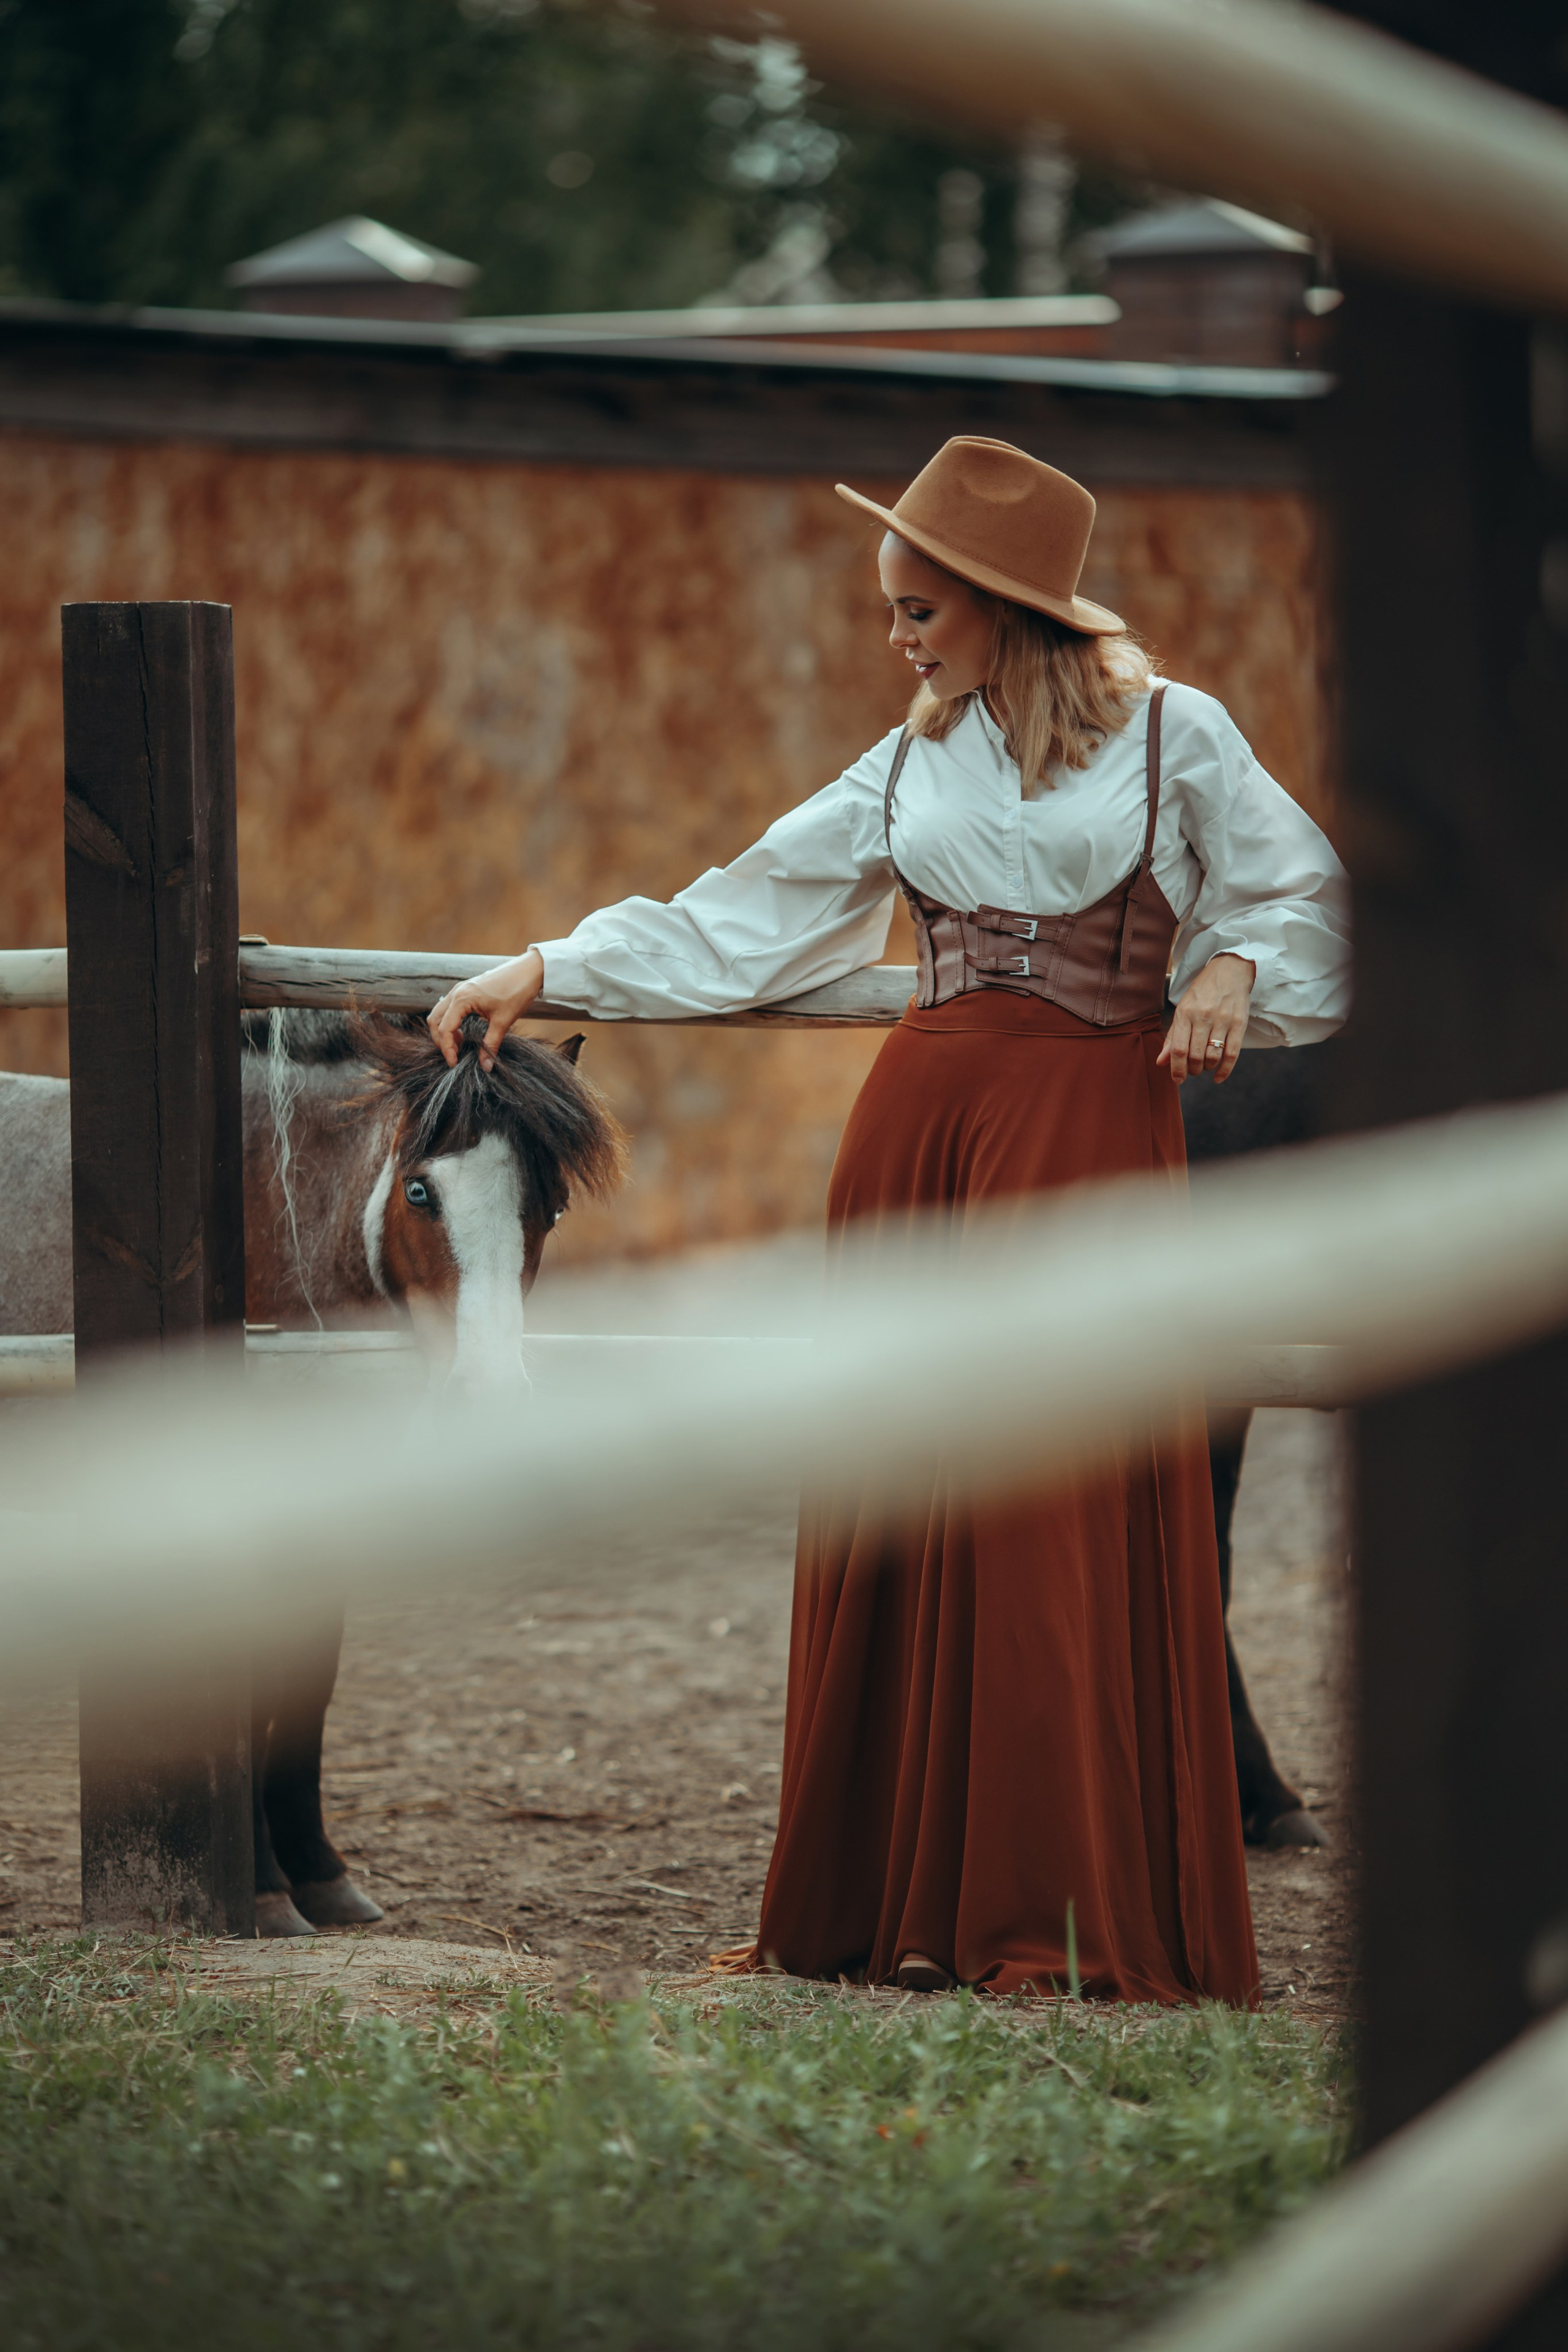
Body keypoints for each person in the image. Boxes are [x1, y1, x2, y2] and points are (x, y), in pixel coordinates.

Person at [429, 437, 1351, 2002]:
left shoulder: (1170, 739)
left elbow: (1309, 899)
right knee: (904, 1488)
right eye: (892, 610)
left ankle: (1047, 1915)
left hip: (1086, 1136)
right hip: (914, 1133)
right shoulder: (913, 754)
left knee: (1054, 1491)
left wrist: (1233, 962)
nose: (899, 638)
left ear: (1005, 606)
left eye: (920, 609)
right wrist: (551, 967)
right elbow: (754, 910)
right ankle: (890, 1906)